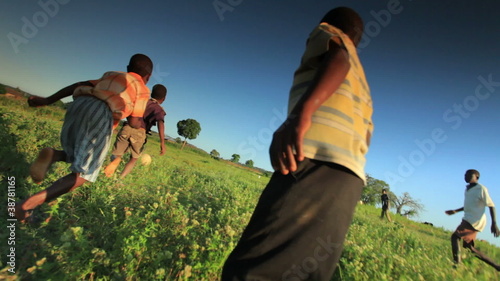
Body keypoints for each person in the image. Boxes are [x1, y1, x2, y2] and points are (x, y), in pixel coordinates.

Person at [221, 7, 373, 281]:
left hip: (312, 160)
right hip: (349, 178)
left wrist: (299, 115)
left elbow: (338, 57)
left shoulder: (329, 34)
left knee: (252, 271)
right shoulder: (362, 85)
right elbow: (368, 135)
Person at [15, 54, 153, 222]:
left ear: (128, 67)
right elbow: (133, 121)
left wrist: (47, 100)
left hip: (79, 104)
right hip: (102, 112)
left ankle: (54, 155)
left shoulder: (111, 74)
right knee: (85, 174)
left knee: (75, 153)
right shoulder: (142, 88)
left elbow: (78, 85)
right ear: (148, 76)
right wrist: (139, 124)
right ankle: (25, 206)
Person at [103, 84, 167, 179]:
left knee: (116, 154)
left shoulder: (141, 102)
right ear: (163, 99)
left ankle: (115, 163)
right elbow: (160, 123)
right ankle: (120, 179)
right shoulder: (158, 109)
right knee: (134, 159)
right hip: (139, 132)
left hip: (127, 127)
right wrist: (162, 143)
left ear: (152, 93)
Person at [445, 169, 500, 271]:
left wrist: (494, 223)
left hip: (474, 221)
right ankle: (497, 266)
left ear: (477, 177)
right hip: (468, 218)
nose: (466, 176)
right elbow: (468, 205)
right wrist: (455, 211)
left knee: (455, 237)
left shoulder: (481, 189)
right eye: (465, 174)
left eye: (469, 175)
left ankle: (457, 265)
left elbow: (491, 205)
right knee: (470, 248)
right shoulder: (467, 189)